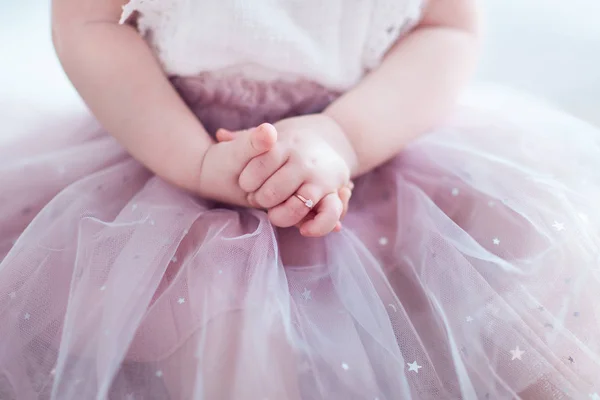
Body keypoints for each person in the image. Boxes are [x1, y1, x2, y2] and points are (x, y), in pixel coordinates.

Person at [1, 0, 599, 398]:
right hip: (163, 145)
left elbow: (446, 30)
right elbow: (88, 24)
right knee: (223, 317)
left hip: (379, 140)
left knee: (521, 271)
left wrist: (345, 135)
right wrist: (195, 161)